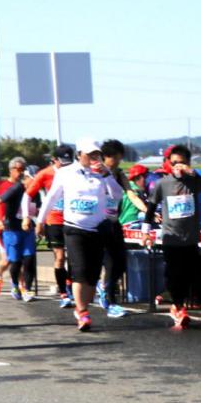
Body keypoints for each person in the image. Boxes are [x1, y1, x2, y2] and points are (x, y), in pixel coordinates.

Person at [36, 139, 124, 332]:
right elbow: (51, 197)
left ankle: (84, 305)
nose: (94, 158)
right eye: (90, 154)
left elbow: (117, 195)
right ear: (79, 155)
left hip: (97, 229)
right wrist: (40, 221)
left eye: (96, 154)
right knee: (80, 271)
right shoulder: (65, 173)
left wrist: (107, 175)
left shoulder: (102, 174)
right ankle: (82, 311)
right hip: (74, 228)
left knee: (92, 276)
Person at [143, 144, 201, 328]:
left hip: (191, 237)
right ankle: (178, 307)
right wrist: (146, 232)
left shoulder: (193, 180)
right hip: (171, 236)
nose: (178, 166)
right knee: (174, 273)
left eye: (182, 163)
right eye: (174, 163)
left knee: (189, 273)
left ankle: (179, 305)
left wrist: (193, 173)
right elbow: (151, 206)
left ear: (188, 163)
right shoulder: (163, 183)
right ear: (169, 163)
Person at [27, 144, 75, 307]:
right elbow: (28, 195)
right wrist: (29, 218)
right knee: (60, 257)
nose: (66, 165)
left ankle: (70, 286)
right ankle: (64, 293)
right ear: (54, 160)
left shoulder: (75, 171)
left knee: (75, 258)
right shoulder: (45, 174)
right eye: (62, 162)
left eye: (69, 162)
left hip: (72, 219)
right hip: (53, 220)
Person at [97, 139, 132, 318]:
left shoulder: (119, 174)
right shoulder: (95, 173)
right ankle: (110, 301)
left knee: (122, 262)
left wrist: (148, 211)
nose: (118, 162)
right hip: (98, 225)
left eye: (120, 159)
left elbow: (131, 193)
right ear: (106, 157)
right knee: (110, 264)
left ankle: (104, 287)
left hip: (114, 222)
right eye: (115, 159)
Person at [0, 158, 39, 301]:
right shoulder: (16, 188)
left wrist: (41, 223)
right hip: (12, 229)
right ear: (26, 178)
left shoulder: (36, 192)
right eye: (33, 180)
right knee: (15, 262)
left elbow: (38, 209)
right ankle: (15, 284)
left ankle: (27, 289)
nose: (36, 184)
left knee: (29, 259)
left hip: (28, 231)